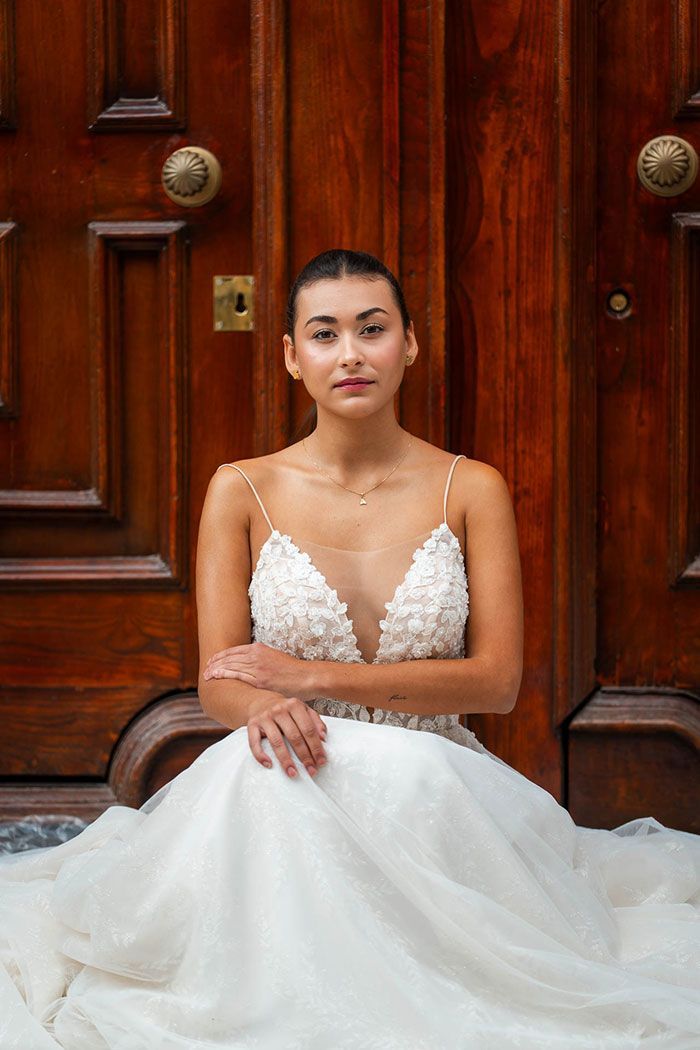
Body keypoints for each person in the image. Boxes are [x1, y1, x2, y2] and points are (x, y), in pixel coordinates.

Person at [0, 250, 698, 1049]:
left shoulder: (470, 488)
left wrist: (306, 674)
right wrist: (266, 704)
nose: (352, 354)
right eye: (325, 334)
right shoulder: (242, 488)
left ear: (409, 345)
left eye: (373, 329)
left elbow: (497, 683)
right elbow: (220, 682)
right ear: (294, 357)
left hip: (436, 785)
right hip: (287, 780)